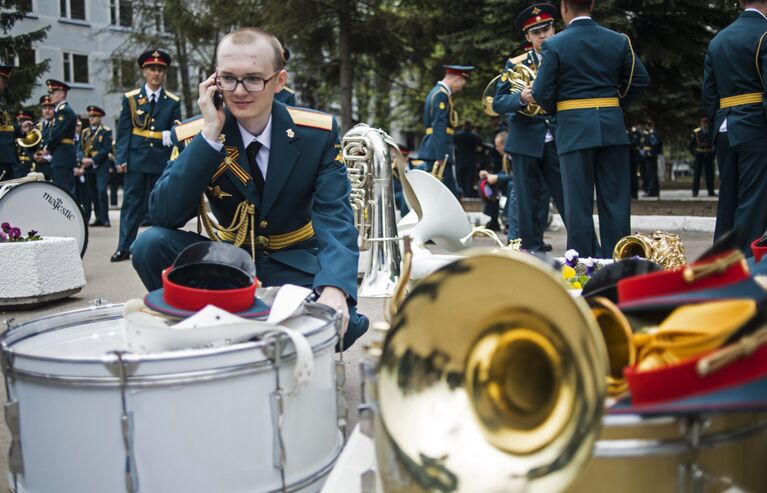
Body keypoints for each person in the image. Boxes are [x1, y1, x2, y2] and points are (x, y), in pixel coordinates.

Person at [130, 27, 368, 349]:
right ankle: (210, 327)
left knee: (342, 327)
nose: (239, 91)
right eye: (228, 78)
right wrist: (210, 136)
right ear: (214, 81)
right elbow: (164, 214)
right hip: (225, 263)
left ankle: (236, 323)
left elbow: (335, 218)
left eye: (254, 79)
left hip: (292, 260)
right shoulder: (196, 134)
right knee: (149, 244)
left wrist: (335, 291)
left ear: (279, 81)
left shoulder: (317, 134)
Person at [532, 0, 649, 258]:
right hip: (611, 127)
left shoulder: (555, 44)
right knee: (616, 204)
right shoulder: (618, 40)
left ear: (564, 8)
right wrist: (613, 103)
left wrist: (560, 109)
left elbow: (541, 92)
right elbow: (639, 79)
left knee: (578, 206)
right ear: (592, 5)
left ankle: (584, 269)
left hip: (574, 131)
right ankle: (618, 264)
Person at [492, 3, 566, 253]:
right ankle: (530, 249)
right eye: (536, 32)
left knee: (567, 197)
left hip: (559, 136)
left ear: (555, 28)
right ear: (527, 36)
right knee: (526, 201)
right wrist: (521, 98)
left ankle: (584, 251)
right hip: (525, 139)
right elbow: (498, 102)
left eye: (546, 29)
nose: (542, 35)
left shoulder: (565, 57)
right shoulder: (515, 64)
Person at [703, 0, 767, 253]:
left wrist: (718, 122)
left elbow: (709, 95)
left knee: (727, 201)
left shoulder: (718, 39)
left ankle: (719, 261)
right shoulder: (764, 34)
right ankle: (746, 264)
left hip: (725, 127)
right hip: (755, 127)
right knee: (754, 201)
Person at [111, 49, 181, 262]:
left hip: (160, 159)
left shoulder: (172, 101)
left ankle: (158, 249)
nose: (156, 73)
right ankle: (124, 247)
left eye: (160, 69)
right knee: (131, 204)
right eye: (152, 69)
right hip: (137, 158)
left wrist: (173, 138)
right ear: (144, 72)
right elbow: (123, 132)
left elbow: (177, 129)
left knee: (159, 205)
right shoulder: (131, 99)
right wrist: (121, 158)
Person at [417, 64, 474, 198]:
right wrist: (440, 155)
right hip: (438, 150)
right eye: (462, 82)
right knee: (443, 194)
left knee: (444, 193)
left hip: (436, 149)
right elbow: (439, 126)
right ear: (456, 79)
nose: (461, 87)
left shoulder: (439, 93)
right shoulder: (441, 95)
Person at [479, 131, 519, 240]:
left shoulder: (514, 155)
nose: (496, 148)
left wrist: (498, 178)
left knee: (511, 185)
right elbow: (505, 172)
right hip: (509, 185)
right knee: (488, 183)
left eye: (498, 145)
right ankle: (493, 219)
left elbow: (518, 175)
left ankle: (508, 221)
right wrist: (490, 175)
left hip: (518, 185)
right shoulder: (506, 157)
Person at [79, 105, 113, 226]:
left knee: (102, 190)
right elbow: (79, 148)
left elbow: (106, 149)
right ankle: (98, 217)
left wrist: (92, 160)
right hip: (88, 166)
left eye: (94, 116)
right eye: (90, 116)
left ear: (100, 117)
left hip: (101, 165)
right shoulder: (85, 132)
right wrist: (81, 158)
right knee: (91, 193)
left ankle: (105, 218)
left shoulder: (106, 131)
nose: (91, 118)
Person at [43, 79, 78, 195]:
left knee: (64, 190)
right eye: (50, 93)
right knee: (62, 188)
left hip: (63, 154)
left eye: (53, 93)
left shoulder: (64, 111)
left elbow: (57, 133)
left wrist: (47, 148)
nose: (50, 95)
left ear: (62, 93)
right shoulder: (61, 111)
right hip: (61, 154)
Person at [0, 65, 33, 181]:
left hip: (6, 158)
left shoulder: (1, 102)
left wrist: (20, 129)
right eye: (3, 81)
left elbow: (5, 128)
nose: (5, 85)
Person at [688, 115, 716, 197]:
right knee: (697, 174)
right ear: (700, 123)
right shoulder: (696, 132)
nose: (705, 124)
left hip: (709, 154)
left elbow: (715, 143)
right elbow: (690, 145)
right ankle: (695, 192)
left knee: (710, 174)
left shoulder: (711, 131)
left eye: (706, 123)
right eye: (703, 123)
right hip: (699, 155)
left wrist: (714, 153)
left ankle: (711, 192)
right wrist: (694, 153)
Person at [453, 120, 482, 198]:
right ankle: (468, 194)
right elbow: (480, 146)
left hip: (460, 159)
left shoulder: (457, 135)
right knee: (469, 179)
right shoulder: (475, 136)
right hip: (471, 160)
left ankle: (460, 193)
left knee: (460, 178)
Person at [34, 95, 55, 180]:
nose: (47, 111)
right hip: (39, 168)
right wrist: (34, 156)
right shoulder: (39, 127)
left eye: (50, 108)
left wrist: (47, 157)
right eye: (44, 108)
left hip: (53, 166)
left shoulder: (58, 126)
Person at [638, 119, 661, 197]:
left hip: (651, 155)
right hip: (645, 155)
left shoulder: (653, 134)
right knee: (647, 173)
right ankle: (650, 190)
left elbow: (655, 144)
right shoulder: (646, 134)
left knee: (651, 174)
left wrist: (651, 152)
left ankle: (652, 191)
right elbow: (642, 145)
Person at [14, 111, 35, 178]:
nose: (22, 123)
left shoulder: (35, 133)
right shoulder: (15, 135)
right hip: (16, 166)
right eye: (20, 121)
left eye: (24, 121)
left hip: (30, 165)